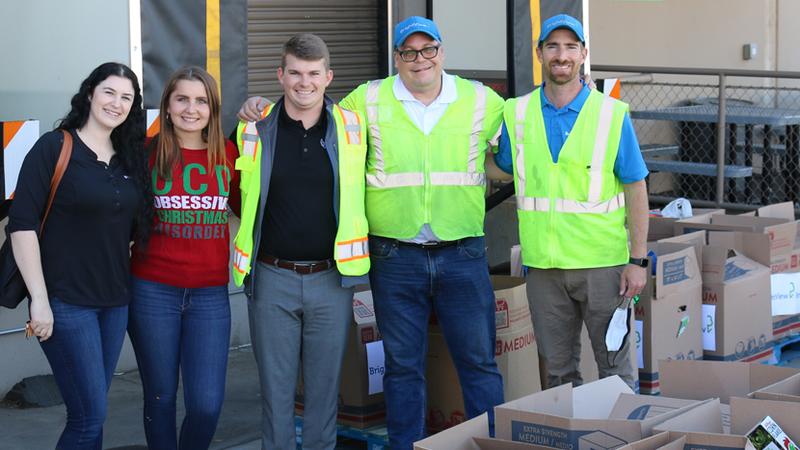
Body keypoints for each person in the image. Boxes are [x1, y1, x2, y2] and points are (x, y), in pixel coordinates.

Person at [241, 17, 505, 449]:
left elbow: (514, 147)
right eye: (408, 52)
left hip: (462, 253)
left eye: (429, 50)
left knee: (478, 362)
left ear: (441, 51)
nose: (420, 60)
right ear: (396, 57)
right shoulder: (366, 100)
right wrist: (258, 106)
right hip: (393, 256)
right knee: (401, 366)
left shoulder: (481, 100)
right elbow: (306, 113)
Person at [495, 14, 649, 390]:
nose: (560, 55)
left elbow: (635, 188)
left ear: (583, 54)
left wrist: (638, 260)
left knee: (614, 370)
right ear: (539, 53)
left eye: (569, 47)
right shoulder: (515, 113)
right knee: (559, 374)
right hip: (544, 269)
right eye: (552, 46)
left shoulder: (611, 115)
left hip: (603, 267)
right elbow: (502, 169)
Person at [231, 33, 369, 450]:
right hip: (272, 278)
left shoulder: (353, 127)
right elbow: (234, 192)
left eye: (313, 73)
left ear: (328, 77)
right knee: (275, 396)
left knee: (325, 394)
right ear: (281, 75)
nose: (303, 82)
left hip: (331, 280)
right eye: (295, 72)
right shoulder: (253, 129)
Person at [8, 62, 150, 449]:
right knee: (88, 417)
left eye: (126, 97)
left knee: (92, 412)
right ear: (90, 93)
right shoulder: (55, 147)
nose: (116, 103)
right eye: (109, 92)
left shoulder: (129, 159)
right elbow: (21, 225)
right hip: (66, 302)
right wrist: (39, 301)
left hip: (114, 301)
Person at [127, 66, 239, 450]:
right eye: (182, 99)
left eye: (201, 101)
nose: (191, 109)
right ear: (168, 105)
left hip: (210, 295)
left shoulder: (228, 154)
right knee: (160, 397)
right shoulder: (144, 153)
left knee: (206, 404)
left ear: (213, 108)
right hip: (152, 290)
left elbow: (256, 206)